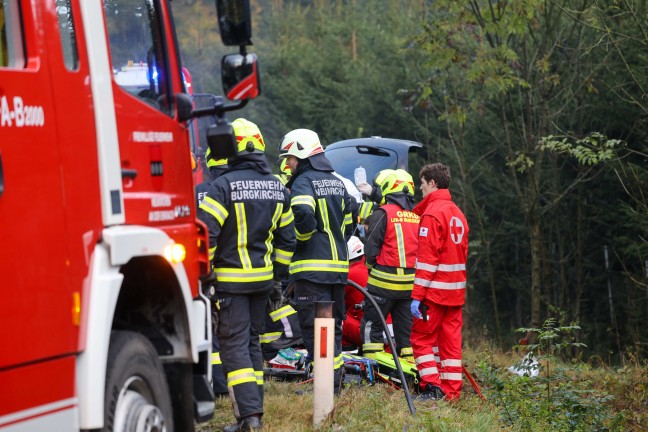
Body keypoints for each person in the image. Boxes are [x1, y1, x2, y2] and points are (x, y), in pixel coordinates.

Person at [198, 118, 296, 431]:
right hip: (263, 282)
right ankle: (254, 412)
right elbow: (288, 239)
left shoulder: (222, 186)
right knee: (252, 342)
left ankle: (249, 417)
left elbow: (206, 236)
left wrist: (207, 275)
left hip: (231, 283)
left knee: (234, 346)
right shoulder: (278, 186)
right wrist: (277, 277)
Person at [278, 128, 353, 394]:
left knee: (313, 329)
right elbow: (349, 221)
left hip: (311, 271)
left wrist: (297, 239)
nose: (287, 164)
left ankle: (323, 388)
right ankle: (334, 383)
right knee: (332, 327)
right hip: (338, 271)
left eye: (290, 158)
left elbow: (304, 216)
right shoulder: (336, 181)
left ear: (302, 154)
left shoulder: (303, 182)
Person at [410, 163, 469, 401]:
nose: (420, 189)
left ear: (432, 183)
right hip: (455, 294)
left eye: (422, 184)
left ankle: (432, 388)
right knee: (450, 346)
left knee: (421, 339)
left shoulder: (433, 214)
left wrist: (417, 296)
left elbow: (427, 261)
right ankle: (451, 393)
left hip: (434, 293)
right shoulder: (458, 212)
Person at [360, 169, 419, 361]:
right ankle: (408, 367)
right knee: (405, 331)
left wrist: (371, 268)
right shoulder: (417, 215)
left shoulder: (383, 213)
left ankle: (375, 366)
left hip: (383, 283)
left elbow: (370, 248)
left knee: (373, 325)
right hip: (410, 286)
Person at [342, 236, 369, 350]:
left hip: (361, 330)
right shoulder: (367, 268)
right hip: (378, 329)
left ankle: (345, 347)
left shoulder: (349, 274)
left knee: (329, 317)